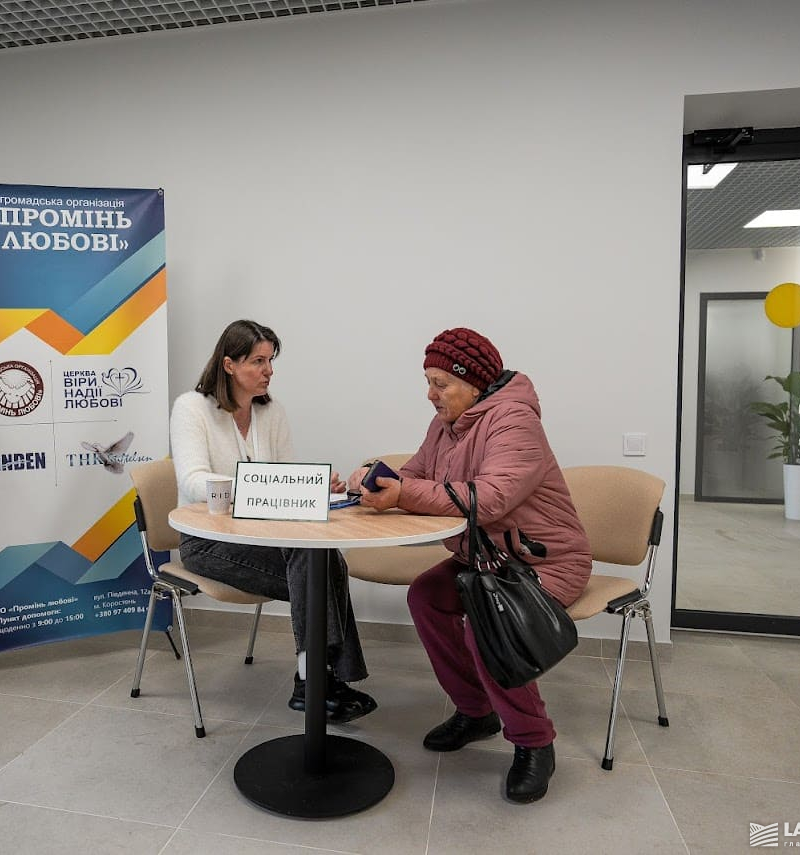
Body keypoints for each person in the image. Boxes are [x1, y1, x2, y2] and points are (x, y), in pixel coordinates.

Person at [351, 327, 590, 803]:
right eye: (428, 380)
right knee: (426, 597)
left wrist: (404, 494)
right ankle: (476, 711)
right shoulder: (446, 424)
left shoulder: (514, 421)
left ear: (474, 383)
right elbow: (416, 474)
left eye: (441, 382)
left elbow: (492, 498)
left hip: (544, 560)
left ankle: (534, 742)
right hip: (484, 559)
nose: (430, 393)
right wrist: (374, 478)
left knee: (487, 622)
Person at [170, 319, 377, 723]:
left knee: (322, 559)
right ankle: (321, 680)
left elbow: (286, 478)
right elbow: (193, 482)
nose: (269, 371)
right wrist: (260, 487)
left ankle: (314, 680)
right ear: (229, 364)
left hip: (266, 537)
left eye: (271, 361)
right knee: (317, 572)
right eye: (258, 361)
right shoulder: (191, 408)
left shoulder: (272, 411)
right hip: (207, 544)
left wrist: (316, 489)